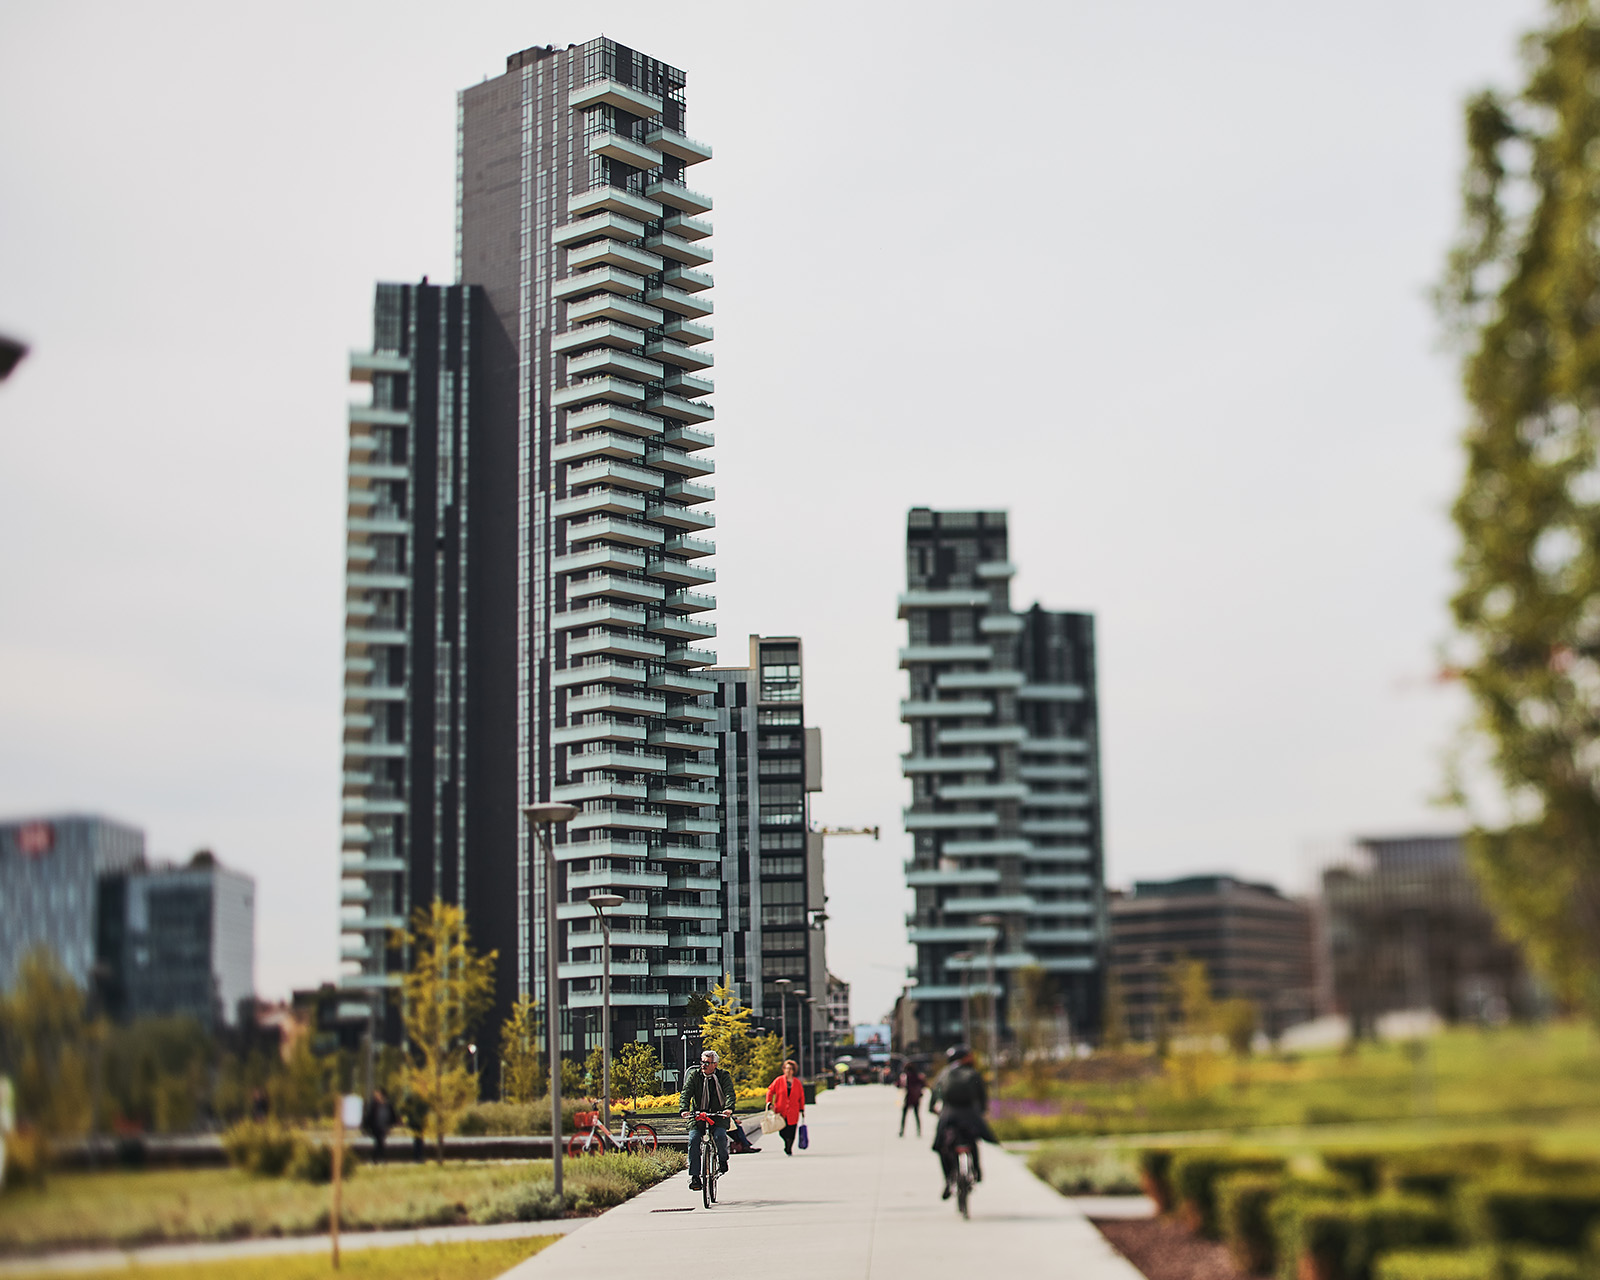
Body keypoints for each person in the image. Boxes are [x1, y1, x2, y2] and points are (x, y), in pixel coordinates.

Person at [929, 1044, 995, 1200]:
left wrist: (933, 1108)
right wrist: (982, 1111)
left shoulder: (944, 1074)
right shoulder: (973, 1073)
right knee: (974, 1139)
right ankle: (977, 1171)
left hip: (949, 1115)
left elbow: (935, 1094)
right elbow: (982, 1096)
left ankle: (948, 1180)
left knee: (941, 1146)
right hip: (969, 1115)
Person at [679, 1048, 737, 1191]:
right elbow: (686, 1093)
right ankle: (695, 1177)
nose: (703, 1066)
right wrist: (684, 1109)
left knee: (720, 1136)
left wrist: (728, 1108)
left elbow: (729, 1092)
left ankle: (723, 1160)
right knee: (693, 1140)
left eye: (707, 1063)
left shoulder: (723, 1076)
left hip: (718, 1115)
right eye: (702, 1062)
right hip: (698, 1116)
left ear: (715, 1064)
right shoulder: (695, 1076)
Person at [765, 1058, 806, 1156]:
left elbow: (801, 1096)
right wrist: (769, 1103)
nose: (788, 1071)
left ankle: (789, 1147)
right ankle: (786, 1142)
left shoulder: (797, 1083)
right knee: (782, 1131)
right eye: (787, 1068)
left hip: (793, 1110)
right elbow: (770, 1091)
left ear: (793, 1070)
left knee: (792, 1131)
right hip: (781, 1110)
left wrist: (802, 1109)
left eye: (790, 1069)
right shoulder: (778, 1081)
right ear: (784, 1069)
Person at [361, 1087, 396, 1162]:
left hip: (384, 1126)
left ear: (382, 1095)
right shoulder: (373, 1105)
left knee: (379, 1141)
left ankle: (377, 1157)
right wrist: (365, 1126)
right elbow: (369, 1116)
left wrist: (391, 1124)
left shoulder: (387, 1105)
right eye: (375, 1094)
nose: (376, 1096)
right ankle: (378, 1157)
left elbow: (392, 1115)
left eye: (377, 1094)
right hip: (376, 1126)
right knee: (379, 1141)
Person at [898, 1060, 925, 1138]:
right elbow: (923, 1084)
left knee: (904, 1115)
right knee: (917, 1115)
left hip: (908, 1098)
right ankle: (919, 1131)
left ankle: (902, 1131)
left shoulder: (905, 1076)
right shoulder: (918, 1076)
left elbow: (899, 1084)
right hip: (916, 1099)